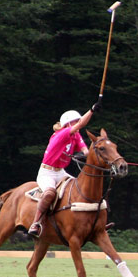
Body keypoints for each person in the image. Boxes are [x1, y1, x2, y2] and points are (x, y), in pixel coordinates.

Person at [27, 102, 99, 238]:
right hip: (47, 172)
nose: (78, 123)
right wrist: (91, 110)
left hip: (60, 172)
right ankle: (36, 223)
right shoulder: (61, 134)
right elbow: (82, 124)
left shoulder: (76, 136)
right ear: (67, 124)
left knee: (80, 189)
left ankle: (93, 223)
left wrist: (86, 155)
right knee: (49, 193)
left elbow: (85, 151)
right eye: (75, 122)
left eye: (78, 120)